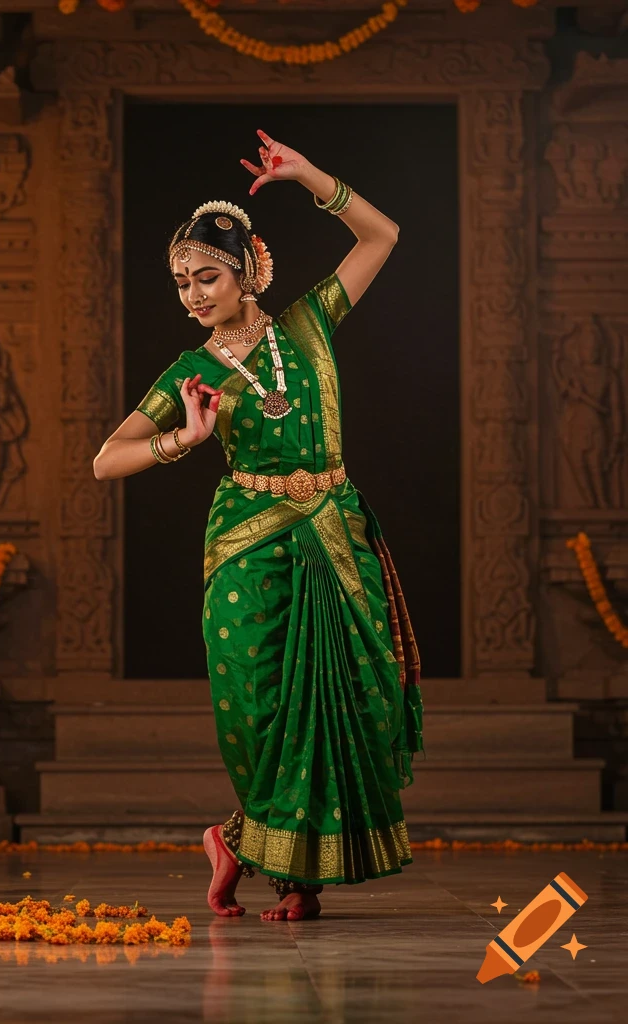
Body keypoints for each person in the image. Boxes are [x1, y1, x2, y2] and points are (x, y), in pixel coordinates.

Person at [94, 130, 423, 922]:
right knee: (260, 708)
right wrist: (182, 441)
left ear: (246, 271)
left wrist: (310, 174)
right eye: (181, 283)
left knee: (345, 698)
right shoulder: (191, 371)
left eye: (207, 276)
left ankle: (252, 849)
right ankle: (280, 865)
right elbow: (107, 459)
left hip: (334, 532)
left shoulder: (309, 327)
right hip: (247, 541)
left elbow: (384, 235)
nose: (194, 295)